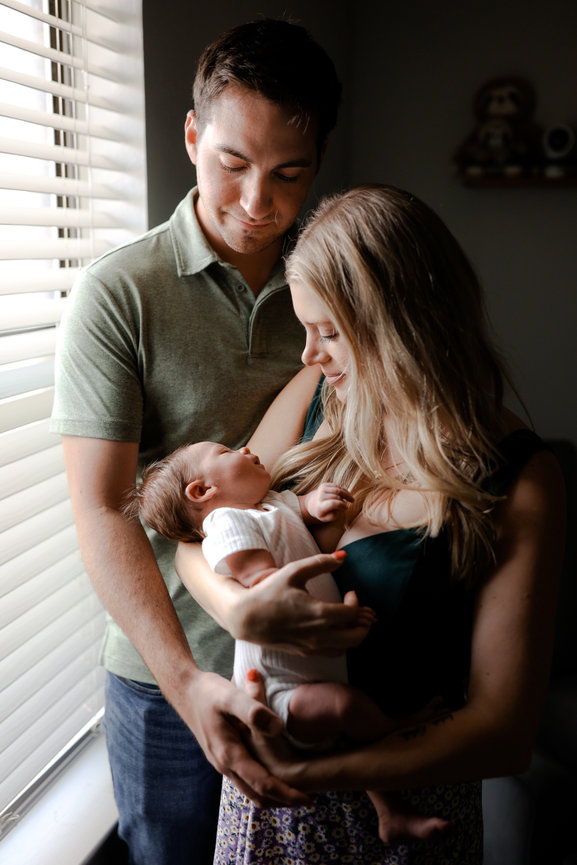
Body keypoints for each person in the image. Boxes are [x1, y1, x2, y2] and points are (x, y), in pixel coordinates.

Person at [175, 184, 565, 864]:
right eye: (305, 329)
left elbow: (504, 729)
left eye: (327, 332)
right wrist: (242, 612)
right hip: (270, 816)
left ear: (404, 326)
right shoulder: (315, 401)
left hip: (409, 813)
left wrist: (310, 774)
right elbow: (198, 532)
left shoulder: (518, 478)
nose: (308, 355)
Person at [50, 18, 354, 865]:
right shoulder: (120, 294)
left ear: (318, 160)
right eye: (232, 163)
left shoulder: (328, 286)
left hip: (311, 670)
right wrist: (187, 684)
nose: (258, 202)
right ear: (191, 136)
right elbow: (103, 507)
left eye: (288, 174)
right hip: (166, 679)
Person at [125, 439, 451, 845]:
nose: (244, 448)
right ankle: (396, 731)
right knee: (345, 709)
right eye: (227, 452)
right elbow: (262, 584)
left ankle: (390, 814)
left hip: (315, 670)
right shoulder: (226, 522)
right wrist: (332, 617)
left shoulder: (272, 503)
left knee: (350, 735)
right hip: (280, 690)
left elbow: (298, 512)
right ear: (202, 491)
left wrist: (315, 505)